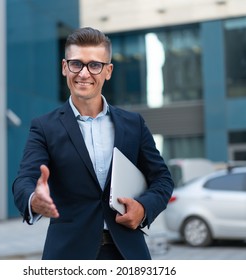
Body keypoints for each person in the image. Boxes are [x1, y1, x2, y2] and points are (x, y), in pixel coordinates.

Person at [12, 27, 174, 260]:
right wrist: (34, 200)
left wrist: (144, 208)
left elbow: (162, 179)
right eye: (76, 64)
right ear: (64, 67)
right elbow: (24, 180)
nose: (84, 74)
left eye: (94, 65)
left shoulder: (133, 124)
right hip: (68, 255)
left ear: (108, 71)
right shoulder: (44, 127)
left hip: (127, 253)